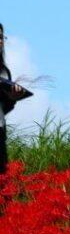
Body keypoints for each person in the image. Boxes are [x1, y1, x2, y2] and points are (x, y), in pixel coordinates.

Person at [0, 24, 22, 176]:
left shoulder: (4, 71)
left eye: (1, 37)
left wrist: (13, 98)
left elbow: (3, 108)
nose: (0, 41)